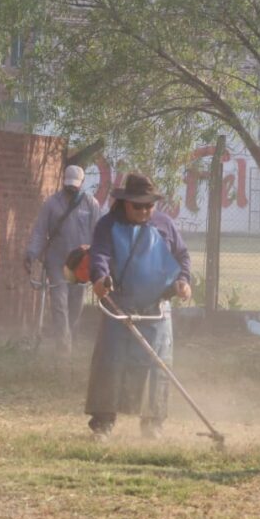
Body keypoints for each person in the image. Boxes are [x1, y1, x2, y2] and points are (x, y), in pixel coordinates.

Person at [85, 173, 192, 441]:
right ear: (124, 203)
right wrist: (99, 278)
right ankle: (103, 424)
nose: (144, 211)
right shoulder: (107, 226)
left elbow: (182, 255)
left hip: (157, 307)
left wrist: (183, 281)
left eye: (149, 206)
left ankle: (153, 424)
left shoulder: (164, 224)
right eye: (138, 206)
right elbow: (99, 255)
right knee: (111, 363)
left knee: (156, 366)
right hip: (119, 305)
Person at [24, 165, 102, 356]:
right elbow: (40, 231)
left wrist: (98, 262)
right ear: (63, 181)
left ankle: (70, 341)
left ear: (82, 183)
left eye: (75, 185)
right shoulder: (51, 203)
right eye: (69, 184)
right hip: (57, 262)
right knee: (59, 305)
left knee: (75, 308)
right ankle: (63, 349)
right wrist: (31, 253)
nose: (72, 188)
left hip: (81, 266)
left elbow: (98, 235)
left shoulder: (91, 203)